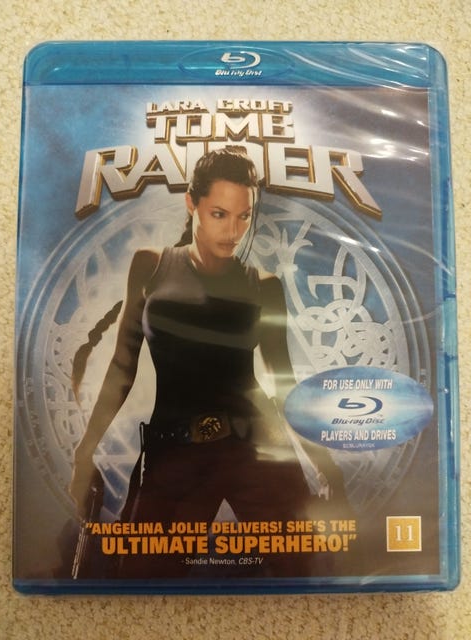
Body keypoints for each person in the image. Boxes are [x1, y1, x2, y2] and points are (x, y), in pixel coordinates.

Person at [70, 147, 350, 579]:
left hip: (258, 450)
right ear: (192, 203)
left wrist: (327, 469)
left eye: (243, 216)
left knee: (303, 573)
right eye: (219, 214)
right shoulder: (151, 265)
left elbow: (284, 384)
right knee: (139, 581)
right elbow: (123, 364)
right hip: (173, 455)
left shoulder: (264, 286)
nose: (233, 230)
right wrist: (84, 452)